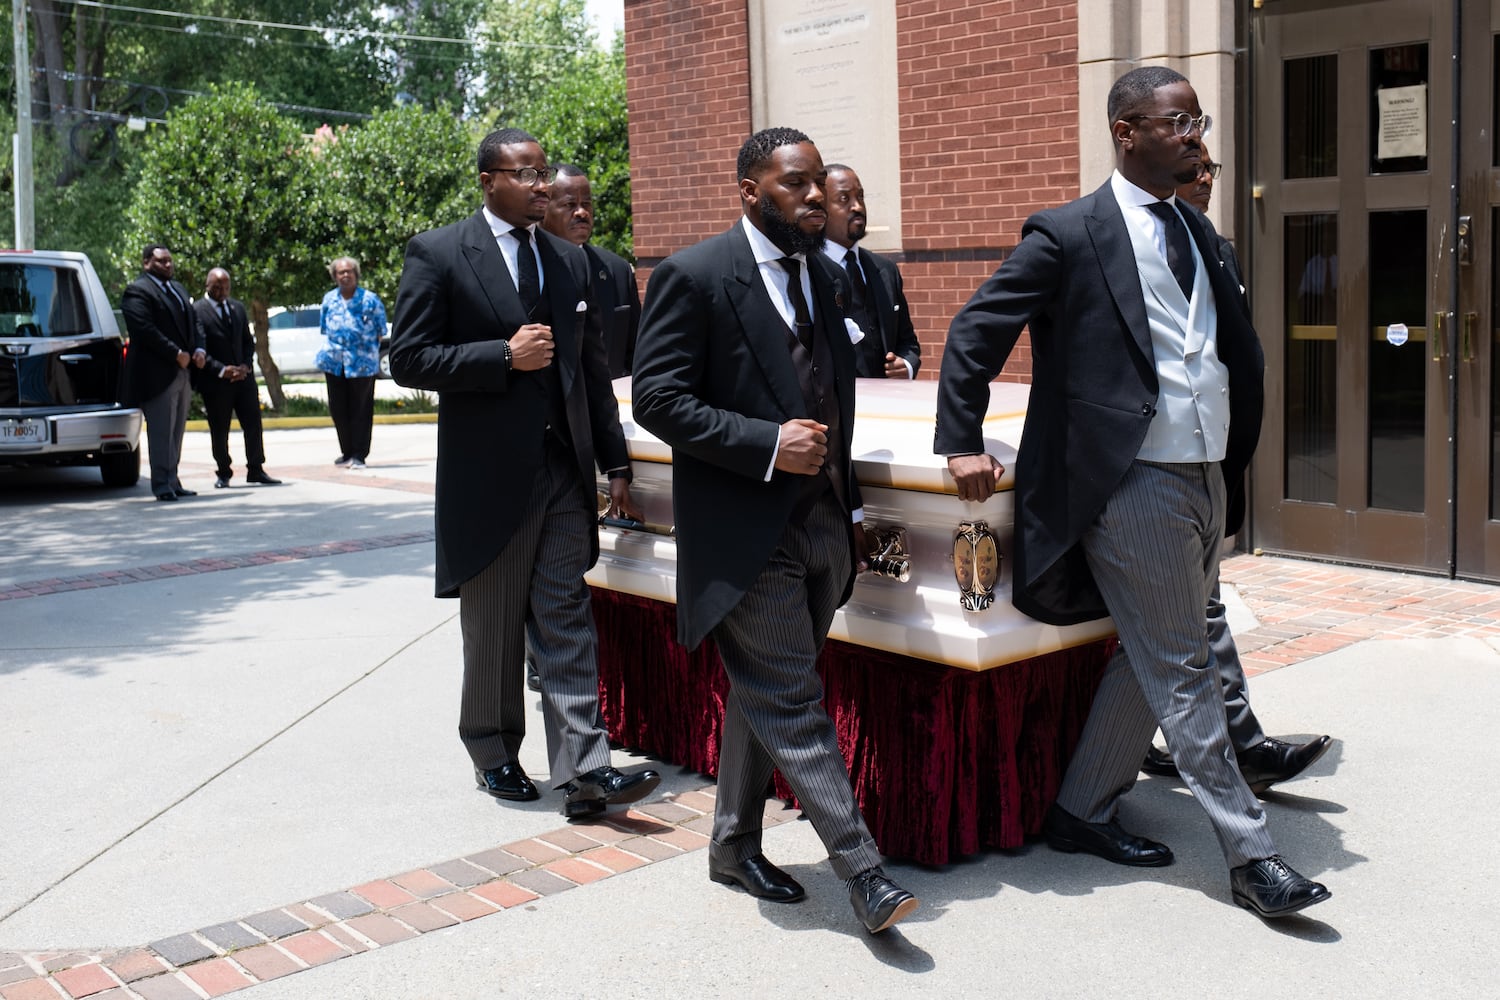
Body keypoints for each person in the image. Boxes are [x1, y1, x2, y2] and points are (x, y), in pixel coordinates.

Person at [934, 67, 1331, 919]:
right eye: (1177, 121)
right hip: (1127, 482)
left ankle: (1080, 808)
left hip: (1207, 471)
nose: (1195, 135)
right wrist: (961, 439)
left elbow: (1222, 353)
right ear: (1126, 132)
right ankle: (1251, 855)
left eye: (1198, 119)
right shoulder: (1069, 232)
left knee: (1151, 650)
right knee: (1184, 665)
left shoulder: (1199, 231)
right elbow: (976, 328)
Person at [632, 127, 920, 935]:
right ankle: (863, 872)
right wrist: (765, 445)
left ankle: (732, 842)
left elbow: (840, 403)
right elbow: (656, 398)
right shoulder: (694, 275)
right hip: (742, 532)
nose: (818, 199)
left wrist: (853, 510)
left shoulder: (824, 278)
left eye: (820, 186)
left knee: (768, 692)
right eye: (797, 185)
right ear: (750, 191)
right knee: (793, 699)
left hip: (824, 526)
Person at [390, 127, 660, 819]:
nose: (542, 186)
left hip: (563, 470)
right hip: (488, 480)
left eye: (544, 173)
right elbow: (410, 359)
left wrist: (615, 460)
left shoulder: (568, 264)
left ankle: (585, 771)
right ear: (488, 181)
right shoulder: (441, 253)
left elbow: (590, 373)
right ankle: (492, 752)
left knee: (566, 617)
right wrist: (501, 358)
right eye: (525, 174)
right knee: (495, 628)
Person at [1139, 147, 1331, 788]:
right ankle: (1236, 750)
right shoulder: (1117, 243)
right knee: (1193, 619)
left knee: (1193, 615)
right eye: (1190, 171)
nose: (1202, 182)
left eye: (1211, 172)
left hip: (1207, 461)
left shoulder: (1215, 250)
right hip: (1143, 472)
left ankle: (1187, 743)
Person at [819, 163, 921, 379]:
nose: (857, 207)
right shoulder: (808, 271)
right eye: (844, 199)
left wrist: (907, 365)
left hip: (887, 405)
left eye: (861, 197)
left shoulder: (885, 269)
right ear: (821, 210)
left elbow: (908, 342)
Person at [121, 244, 205, 502]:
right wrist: (175, 353)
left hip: (183, 371)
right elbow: (143, 329)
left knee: (176, 431)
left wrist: (199, 348)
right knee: (161, 432)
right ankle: (161, 484)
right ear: (147, 263)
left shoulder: (178, 289)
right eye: (161, 261)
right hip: (157, 373)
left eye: (170, 261)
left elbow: (194, 321)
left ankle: (173, 479)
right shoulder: (138, 291)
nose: (168, 265)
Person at [542, 164, 641, 378]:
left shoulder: (616, 270)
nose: (582, 212)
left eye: (587, 204)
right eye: (570, 204)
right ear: (544, 209)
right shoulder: (530, 268)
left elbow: (637, 352)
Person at [192, 268, 281, 489]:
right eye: (217, 287)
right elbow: (198, 345)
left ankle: (256, 469)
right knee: (220, 429)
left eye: (226, 287)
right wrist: (222, 370)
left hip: (243, 380)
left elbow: (247, 342)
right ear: (207, 285)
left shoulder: (237, 308)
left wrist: (244, 366)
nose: (222, 291)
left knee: (253, 424)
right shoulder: (196, 311)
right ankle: (223, 471)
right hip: (216, 381)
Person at [317, 257, 385, 470]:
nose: (345, 275)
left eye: (349, 272)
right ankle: (346, 451)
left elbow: (381, 332)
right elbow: (324, 329)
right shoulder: (329, 299)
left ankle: (359, 454)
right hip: (334, 363)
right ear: (335, 276)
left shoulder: (370, 300)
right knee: (338, 409)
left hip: (362, 364)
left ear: (356, 274)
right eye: (341, 272)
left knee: (361, 410)